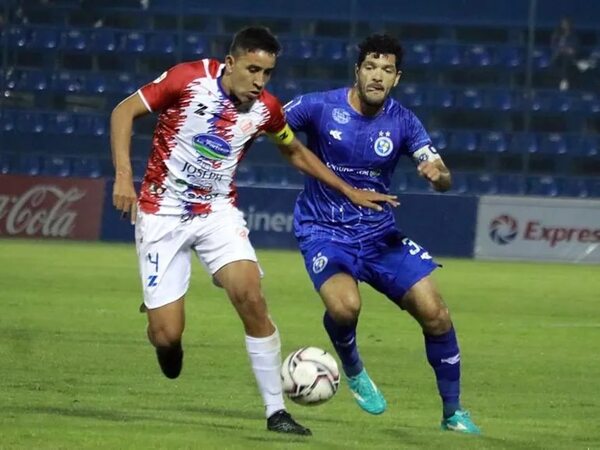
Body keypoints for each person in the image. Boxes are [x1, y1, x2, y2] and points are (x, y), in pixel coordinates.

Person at [110, 26, 396, 436]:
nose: (259, 81)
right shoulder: (186, 79)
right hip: (162, 213)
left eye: (268, 73)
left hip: (217, 212)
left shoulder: (267, 110)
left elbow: (294, 150)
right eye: (252, 69)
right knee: (167, 335)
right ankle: (163, 334)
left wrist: (348, 189)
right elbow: (123, 111)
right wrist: (124, 177)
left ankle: (276, 411)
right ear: (231, 63)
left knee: (250, 294)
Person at [284, 33, 481, 434]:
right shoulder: (319, 106)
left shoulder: (404, 122)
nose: (377, 76)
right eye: (371, 67)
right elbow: (268, 125)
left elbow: (443, 176)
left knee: (436, 313)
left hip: (379, 236)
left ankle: (453, 413)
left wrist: (436, 175)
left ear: (397, 78)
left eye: (387, 70)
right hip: (324, 230)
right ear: (357, 71)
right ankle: (354, 368)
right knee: (344, 308)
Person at [551, 17, 578, 91]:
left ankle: (564, 80)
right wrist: (562, 49)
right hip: (558, 56)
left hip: (569, 57)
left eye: (566, 24)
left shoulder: (573, 36)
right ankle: (563, 79)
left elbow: (573, 49)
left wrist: (565, 49)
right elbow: (554, 46)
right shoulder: (557, 35)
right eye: (563, 24)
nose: (565, 25)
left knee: (565, 60)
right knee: (558, 61)